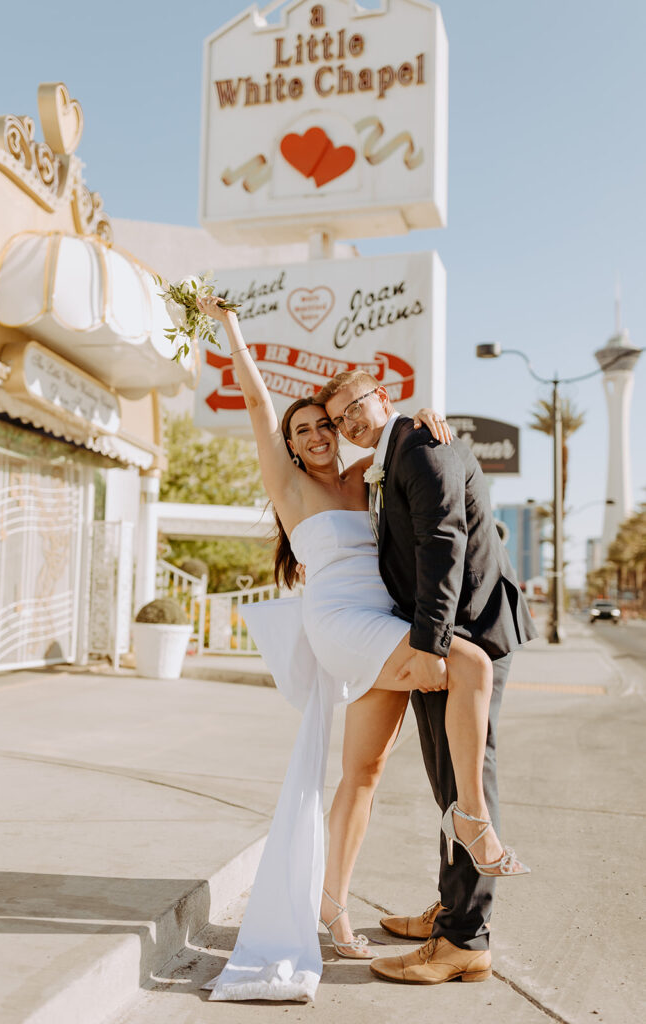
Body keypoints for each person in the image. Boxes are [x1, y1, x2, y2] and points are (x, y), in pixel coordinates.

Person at [198, 296, 529, 1003]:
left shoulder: (367, 476)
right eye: (306, 429)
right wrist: (226, 326)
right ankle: (472, 820)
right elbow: (258, 402)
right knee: (465, 663)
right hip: (345, 625)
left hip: (387, 623)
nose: (320, 434)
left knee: (365, 772)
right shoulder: (289, 485)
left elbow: (418, 472)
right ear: (289, 444)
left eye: (328, 423)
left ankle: (333, 906)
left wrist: (423, 422)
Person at [319, 370, 538, 986]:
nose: (349, 424)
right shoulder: (395, 450)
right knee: (449, 782)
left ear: (382, 398)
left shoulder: (419, 444)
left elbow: (443, 544)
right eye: (339, 419)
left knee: (468, 783)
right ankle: (453, 912)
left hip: (462, 637)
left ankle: (464, 939)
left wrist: (432, 649)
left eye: (355, 409)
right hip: (435, 639)